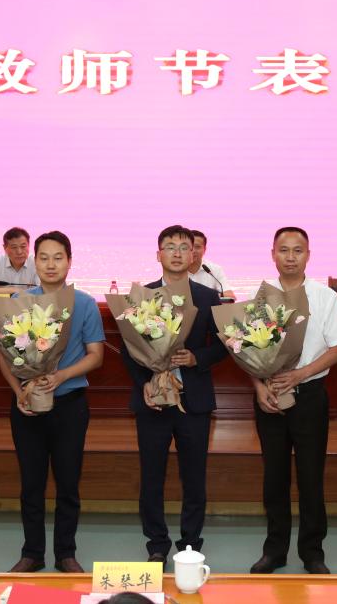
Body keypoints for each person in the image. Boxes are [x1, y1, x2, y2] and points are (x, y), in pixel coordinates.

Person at [249, 227, 337, 576]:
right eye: (284, 250)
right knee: (274, 477)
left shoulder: (324, 297)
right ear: (273, 254)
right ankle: (274, 550)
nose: (290, 257)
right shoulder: (260, 296)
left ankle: (312, 552)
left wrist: (300, 374)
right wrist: (258, 386)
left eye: (298, 250)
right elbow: (244, 347)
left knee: (311, 477)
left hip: (309, 396)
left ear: (308, 255)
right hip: (269, 396)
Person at [120, 225, 226, 568]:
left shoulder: (208, 297)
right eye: (170, 246)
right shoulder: (143, 296)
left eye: (184, 247)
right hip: (153, 400)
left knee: (193, 476)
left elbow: (226, 344)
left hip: (193, 401)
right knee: (152, 475)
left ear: (193, 254)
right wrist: (144, 383)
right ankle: (157, 544)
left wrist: (197, 358)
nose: (177, 253)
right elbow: (127, 348)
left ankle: (190, 543)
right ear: (159, 254)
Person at [5, 231, 105, 574]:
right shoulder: (19, 301)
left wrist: (62, 376)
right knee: (31, 483)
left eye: (58, 257)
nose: (51, 264)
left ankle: (66, 553)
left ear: (69, 262)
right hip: (27, 405)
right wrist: (19, 392)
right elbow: (5, 357)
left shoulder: (85, 303)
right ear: (35, 262)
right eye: (44, 257)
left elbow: (96, 356)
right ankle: (32, 552)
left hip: (70, 405)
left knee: (68, 483)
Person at [0, 227, 40, 296]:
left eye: (23, 246)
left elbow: (44, 291)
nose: (19, 252)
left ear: (29, 246)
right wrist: (13, 290)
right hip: (3, 302)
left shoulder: (37, 263)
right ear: (5, 248)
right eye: (14, 247)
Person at [187, 229, 234, 299]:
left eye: (197, 247)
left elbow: (230, 296)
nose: (193, 250)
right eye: (189, 247)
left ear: (204, 249)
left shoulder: (215, 270)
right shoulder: (175, 269)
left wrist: (205, 296)